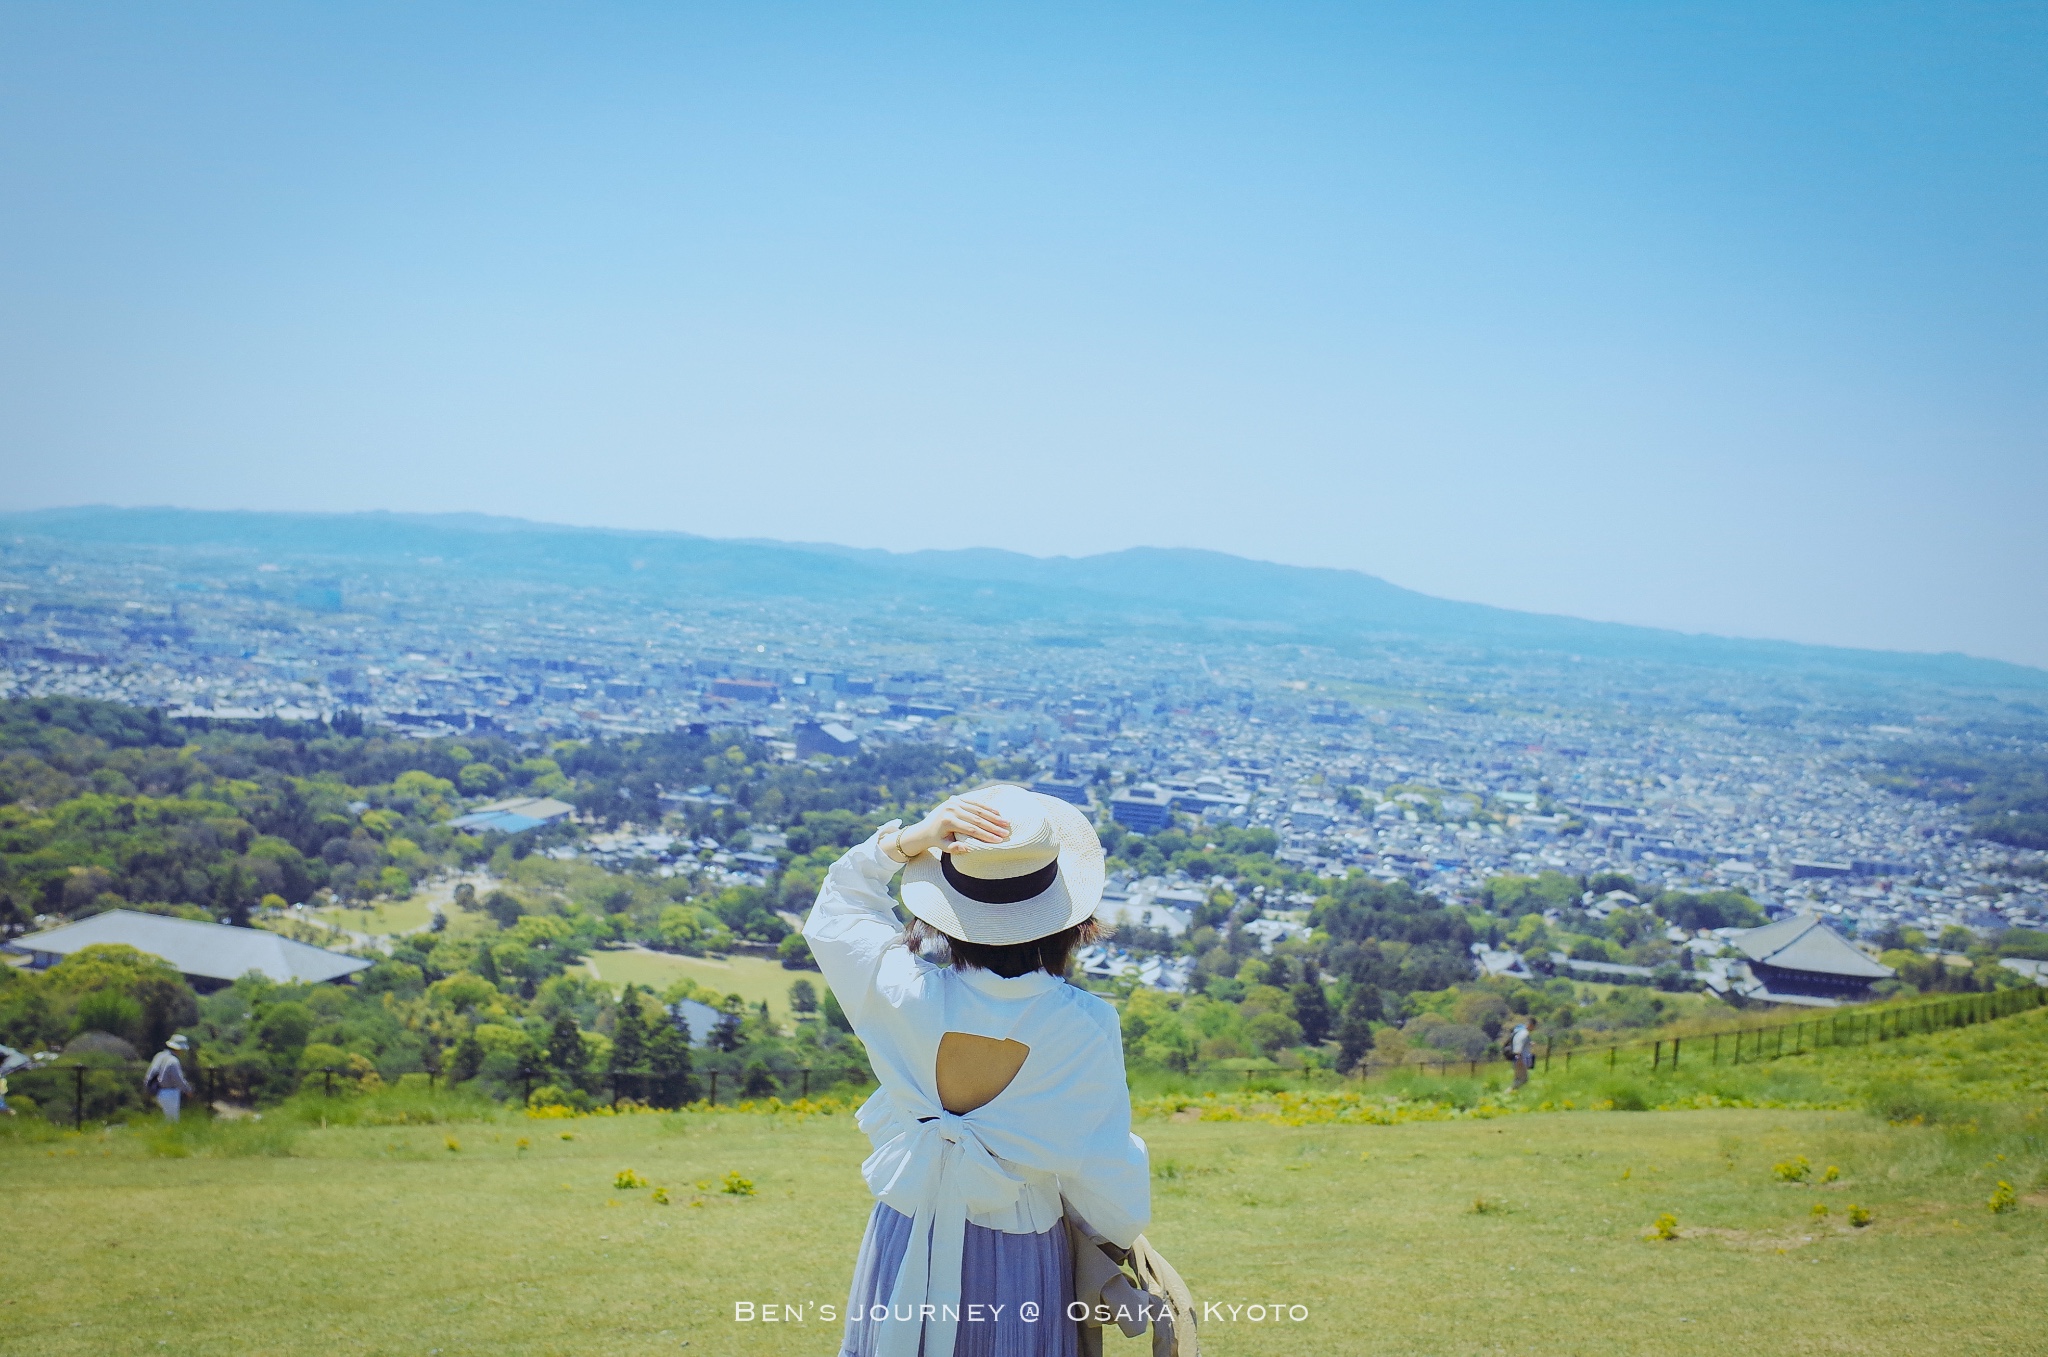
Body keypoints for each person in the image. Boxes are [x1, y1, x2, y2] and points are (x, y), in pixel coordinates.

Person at [805, 783, 1151, 1357]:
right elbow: (1104, 1167)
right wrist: (1112, 1235)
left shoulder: (897, 989)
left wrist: (904, 842)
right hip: (1023, 1242)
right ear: (1069, 915)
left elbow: (838, 909)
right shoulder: (1085, 1025)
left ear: (947, 905)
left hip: (904, 1228)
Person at [145, 1034, 194, 1121]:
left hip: (156, 1091)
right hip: (169, 1092)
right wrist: (187, 1090)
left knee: (163, 1119)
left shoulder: (159, 1056)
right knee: (172, 1120)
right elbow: (178, 1079)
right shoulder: (173, 1060)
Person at [1509, 1017, 1538, 1089]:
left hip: (1520, 1060)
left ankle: (1512, 1094)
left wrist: (1529, 1043)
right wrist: (1519, 1059)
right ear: (1531, 1025)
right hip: (1520, 1060)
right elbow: (1518, 1047)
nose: (1533, 1029)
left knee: (1519, 1079)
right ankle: (1508, 1093)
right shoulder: (1524, 1033)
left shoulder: (1521, 1032)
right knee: (1523, 1080)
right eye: (1534, 1027)